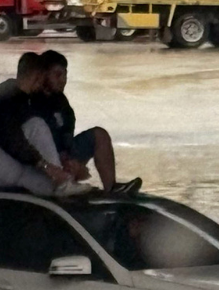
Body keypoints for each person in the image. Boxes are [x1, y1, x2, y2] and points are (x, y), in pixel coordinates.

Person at [0, 52, 92, 197]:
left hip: (8, 163)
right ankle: (63, 182)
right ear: (37, 76)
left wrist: (60, 165)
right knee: (36, 125)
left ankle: (63, 184)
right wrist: (47, 167)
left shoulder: (24, 99)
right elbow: (14, 141)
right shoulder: (8, 98)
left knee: (51, 191)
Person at [27, 50, 142, 196]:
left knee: (100, 135)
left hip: (63, 155)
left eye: (65, 75)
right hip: (40, 161)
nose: (63, 80)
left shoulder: (61, 102)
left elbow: (67, 132)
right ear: (43, 75)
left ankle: (112, 188)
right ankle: (60, 182)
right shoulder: (31, 101)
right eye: (57, 75)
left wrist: (72, 159)